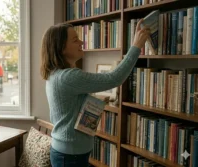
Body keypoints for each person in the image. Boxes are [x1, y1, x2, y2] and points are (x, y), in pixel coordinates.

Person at [40, 19, 150, 167]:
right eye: (75, 40)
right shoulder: (68, 77)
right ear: (61, 48)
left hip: (67, 151)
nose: (81, 42)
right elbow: (114, 78)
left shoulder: (56, 75)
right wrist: (136, 46)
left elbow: (69, 106)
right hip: (70, 155)